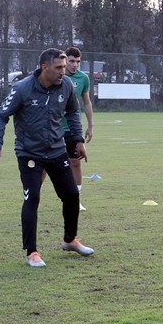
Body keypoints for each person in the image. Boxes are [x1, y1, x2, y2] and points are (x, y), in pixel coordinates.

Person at [0, 48, 94, 268]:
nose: (63, 71)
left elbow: (72, 112)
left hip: (56, 150)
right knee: (32, 198)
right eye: (58, 67)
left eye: (64, 67)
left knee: (72, 195)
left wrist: (78, 140)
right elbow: (1, 116)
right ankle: (32, 252)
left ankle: (69, 240)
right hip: (30, 153)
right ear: (45, 67)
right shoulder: (22, 88)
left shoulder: (66, 85)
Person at [63, 46, 95, 210]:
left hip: (72, 129)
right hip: (52, 128)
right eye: (71, 61)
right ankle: (33, 199)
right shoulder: (56, 75)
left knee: (75, 162)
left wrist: (90, 126)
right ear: (65, 60)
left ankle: (76, 200)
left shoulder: (83, 78)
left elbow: (87, 103)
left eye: (78, 62)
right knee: (45, 165)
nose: (75, 65)